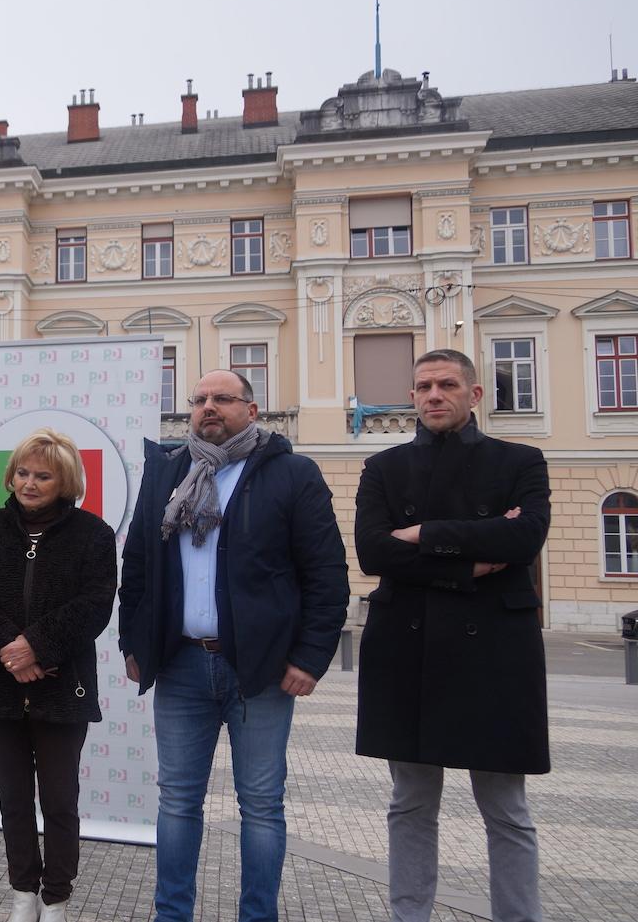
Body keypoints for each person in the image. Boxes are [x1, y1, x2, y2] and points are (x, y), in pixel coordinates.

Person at [118, 368, 348, 922]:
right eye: (199, 400)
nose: (208, 407)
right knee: (177, 802)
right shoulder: (167, 473)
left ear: (252, 409)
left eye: (222, 398)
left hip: (262, 672)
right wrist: (134, 641)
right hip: (179, 666)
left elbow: (326, 574)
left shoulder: (291, 474)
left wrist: (311, 658)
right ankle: (171, 915)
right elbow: (140, 567)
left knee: (262, 807)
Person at [354, 349, 551, 922]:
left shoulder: (521, 460)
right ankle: (409, 915)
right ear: (412, 397)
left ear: (475, 394)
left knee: (507, 809)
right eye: (422, 387)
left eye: (446, 385)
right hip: (406, 649)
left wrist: (422, 534)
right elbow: (373, 551)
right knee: (410, 803)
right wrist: (470, 560)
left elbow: (524, 541)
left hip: (496, 652)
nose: (433, 395)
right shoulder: (384, 467)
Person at [0, 428, 116, 922]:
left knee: (61, 800)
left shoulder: (94, 534)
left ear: (64, 481)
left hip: (63, 686)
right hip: (1, 682)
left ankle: (56, 897)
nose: (29, 483)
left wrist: (37, 647)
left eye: (42, 475)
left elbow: (94, 605)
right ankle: (23, 892)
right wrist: (11, 650)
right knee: (13, 799)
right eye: (23, 472)